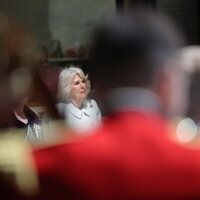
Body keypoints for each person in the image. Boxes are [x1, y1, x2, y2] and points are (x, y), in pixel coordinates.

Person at [57, 66, 101, 132]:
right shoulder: (60, 109)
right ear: (66, 88)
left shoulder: (92, 104)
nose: (82, 86)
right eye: (77, 83)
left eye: (83, 81)